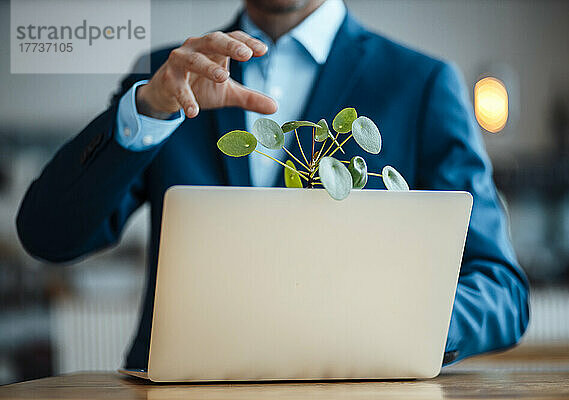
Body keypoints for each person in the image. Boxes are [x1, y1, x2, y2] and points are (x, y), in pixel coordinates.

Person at [16, 0, 529, 369]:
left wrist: (403, 321)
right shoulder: (164, 80)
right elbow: (48, 234)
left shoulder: (422, 84)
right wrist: (146, 112)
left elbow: (503, 291)